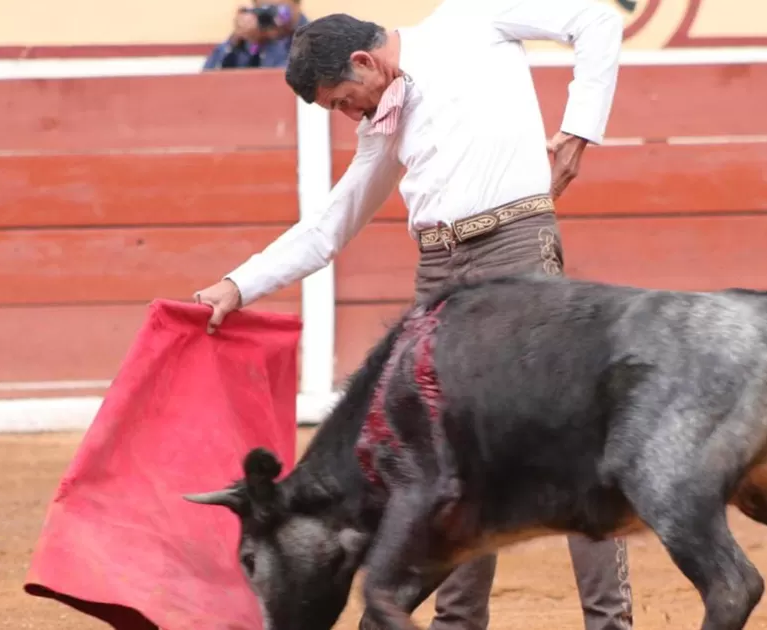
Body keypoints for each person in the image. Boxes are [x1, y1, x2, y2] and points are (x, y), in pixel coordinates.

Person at [192, 1, 632, 629]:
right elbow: (331, 222)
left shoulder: (469, 21)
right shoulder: (384, 117)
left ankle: (609, 624)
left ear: (365, 61)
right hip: (437, 273)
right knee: (453, 464)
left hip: (514, 251)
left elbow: (595, 18)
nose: (351, 116)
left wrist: (579, 130)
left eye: (344, 99)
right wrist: (238, 285)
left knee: (565, 440)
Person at [202, 0, 308, 70]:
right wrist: (235, 42)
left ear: (296, 5)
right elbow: (208, 77)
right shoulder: (249, 40)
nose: (271, 17)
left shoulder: (311, 38)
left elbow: (283, 80)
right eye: (264, 9)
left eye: (276, 9)